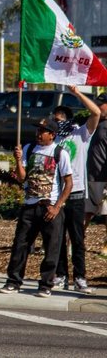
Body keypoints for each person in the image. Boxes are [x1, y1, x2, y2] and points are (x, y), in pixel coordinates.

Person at [0, 117, 73, 297]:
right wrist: (17, 160)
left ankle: (46, 284)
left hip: (50, 206)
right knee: (21, 244)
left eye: (43, 131)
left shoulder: (59, 153)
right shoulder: (29, 149)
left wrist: (57, 207)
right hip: (30, 205)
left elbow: (68, 183)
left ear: (52, 135)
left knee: (52, 247)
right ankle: (14, 281)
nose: (38, 134)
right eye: (38, 130)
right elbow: (22, 177)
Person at [50, 86, 99, 294]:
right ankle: (61, 275)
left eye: (59, 120)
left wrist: (77, 93)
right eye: (54, 121)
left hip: (77, 193)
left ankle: (80, 277)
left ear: (68, 120)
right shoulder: (54, 139)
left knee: (77, 238)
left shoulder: (81, 134)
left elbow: (96, 113)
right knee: (58, 237)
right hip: (58, 194)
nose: (56, 124)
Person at [85, 93, 107, 257]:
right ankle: (73, 242)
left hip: (104, 177)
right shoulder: (94, 123)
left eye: (101, 104)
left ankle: (106, 246)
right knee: (86, 211)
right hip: (91, 176)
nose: (98, 108)